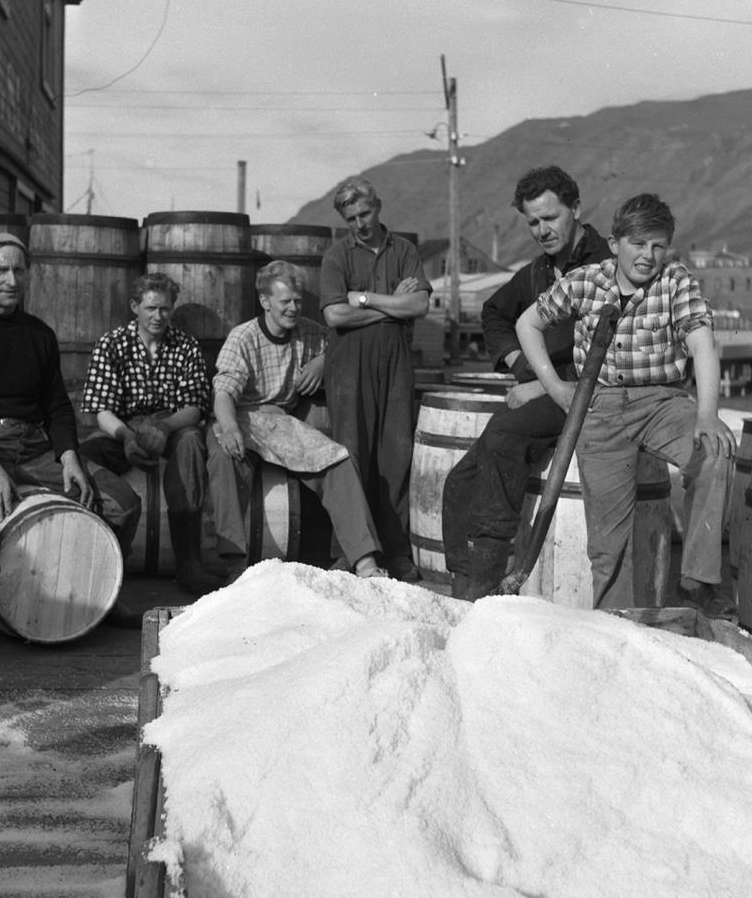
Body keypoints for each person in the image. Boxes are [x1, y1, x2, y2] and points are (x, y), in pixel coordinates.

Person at [0, 232, 142, 658]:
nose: (11, 280)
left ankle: (100, 588)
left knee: (122, 502)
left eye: (19, 270)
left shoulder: (39, 334)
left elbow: (56, 405)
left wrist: (69, 456)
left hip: (33, 445)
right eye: (0, 270)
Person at [516, 192, 737, 615]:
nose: (648, 255)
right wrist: (555, 387)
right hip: (599, 409)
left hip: (661, 402)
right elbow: (528, 324)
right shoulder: (584, 281)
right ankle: (615, 627)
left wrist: (707, 415)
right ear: (615, 244)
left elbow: (702, 345)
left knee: (714, 450)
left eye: (658, 245)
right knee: (608, 546)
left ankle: (698, 581)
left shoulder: (675, 281)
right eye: (638, 244)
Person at [441, 166, 612, 600]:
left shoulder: (608, 265)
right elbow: (494, 313)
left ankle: (486, 583)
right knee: (459, 481)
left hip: (591, 391)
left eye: (550, 218)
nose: (542, 230)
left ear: (576, 208)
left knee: (504, 434)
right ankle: (463, 585)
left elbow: (613, 351)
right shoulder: (538, 271)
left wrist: (542, 386)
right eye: (533, 222)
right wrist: (522, 364)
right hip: (554, 388)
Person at [207, 260, 386, 579]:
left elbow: (342, 347)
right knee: (223, 457)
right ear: (265, 301)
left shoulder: (310, 333)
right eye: (285, 301)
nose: (293, 308)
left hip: (281, 423)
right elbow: (223, 393)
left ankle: (364, 561)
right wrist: (230, 427)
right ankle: (234, 560)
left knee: (338, 460)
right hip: (240, 417)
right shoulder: (243, 337)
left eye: (298, 301)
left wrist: (323, 361)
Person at [79, 272, 219, 595]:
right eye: (151, 308)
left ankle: (188, 561)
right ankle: (94, 555)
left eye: (165, 309)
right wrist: (127, 437)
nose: (158, 316)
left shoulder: (185, 345)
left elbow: (195, 407)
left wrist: (166, 427)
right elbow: (102, 410)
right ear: (135, 307)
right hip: (123, 425)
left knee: (191, 442)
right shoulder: (112, 343)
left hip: (171, 423)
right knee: (86, 456)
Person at [320, 177, 432, 581]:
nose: (359, 224)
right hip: (349, 368)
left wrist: (365, 299)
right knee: (352, 454)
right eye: (351, 218)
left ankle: (396, 551)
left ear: (378, 206)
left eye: (364, 214)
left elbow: (419, 304)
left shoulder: (404, 251)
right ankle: (349, 552)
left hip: (395, 364)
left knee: (395, 454)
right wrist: (393, 305)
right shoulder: (337, 256)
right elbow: (334, 314)